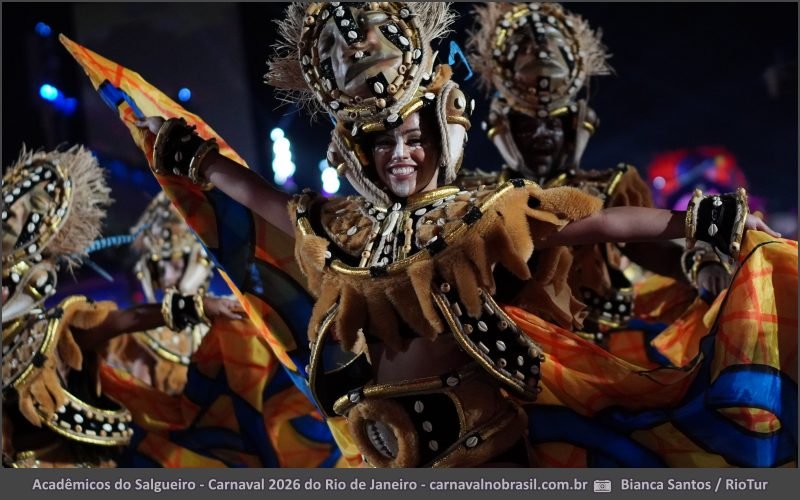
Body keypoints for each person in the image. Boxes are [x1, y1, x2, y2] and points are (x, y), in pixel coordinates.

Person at [66, 2, 794, 468]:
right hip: (380, 455)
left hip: (490, 451)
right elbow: (266, 200)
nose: (401, 153)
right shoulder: (344, 228)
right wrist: (192, 156)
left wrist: (702, 222)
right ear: (358, 151)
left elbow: (588, 221)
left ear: (441, 128)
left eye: (413, 136)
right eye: (383, 142)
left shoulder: (482, 214)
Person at [465, 2, 733, 354]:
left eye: (554, 124)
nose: (542, 136)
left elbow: (657, 253)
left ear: (578, 125)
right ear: (501, 128)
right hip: (500, 358)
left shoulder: (610, 188)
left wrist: (706, 264)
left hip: (599, 355)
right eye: (528, 125)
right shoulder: (475, 196)